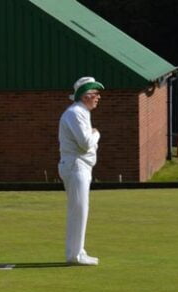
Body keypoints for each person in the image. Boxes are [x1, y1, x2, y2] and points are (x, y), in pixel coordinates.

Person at [58, 77, 104, 266]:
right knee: (78, 210)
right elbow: (85, 144)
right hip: (76, 165)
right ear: (86, 96)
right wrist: (96, 134)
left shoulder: (82, 112)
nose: (98, 98)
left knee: (80, 210)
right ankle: (75, 255)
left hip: (80, 166)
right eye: (95, 94)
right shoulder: (75, 113)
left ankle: (78, 251)